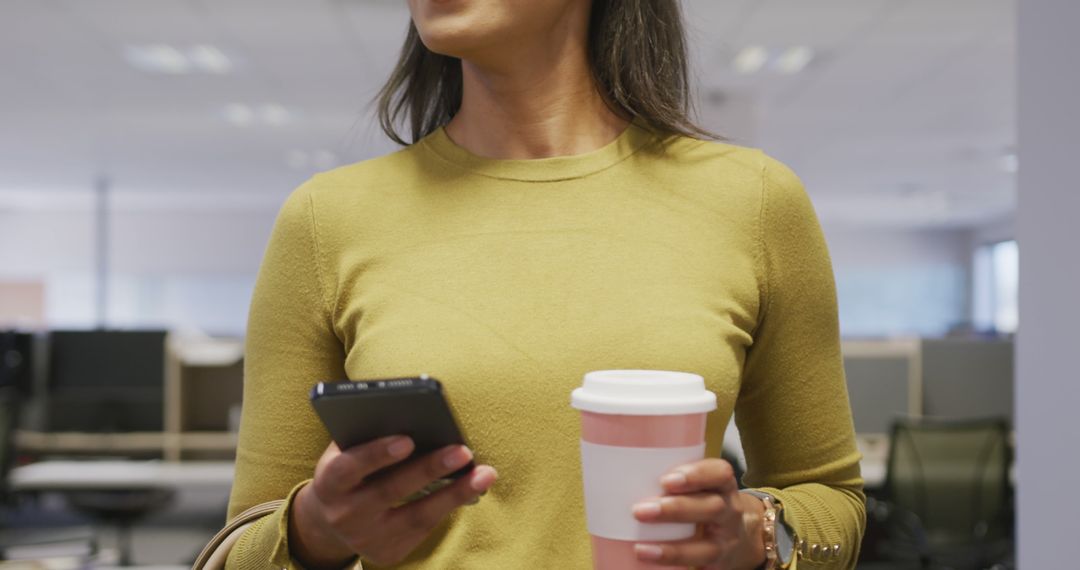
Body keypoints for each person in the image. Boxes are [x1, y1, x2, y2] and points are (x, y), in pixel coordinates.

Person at [224, 0, 866, 568]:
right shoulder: (326, 218)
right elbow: (235, 547)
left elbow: (832, 499)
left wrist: (751, 531)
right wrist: (313, 532)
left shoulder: (751, 201)